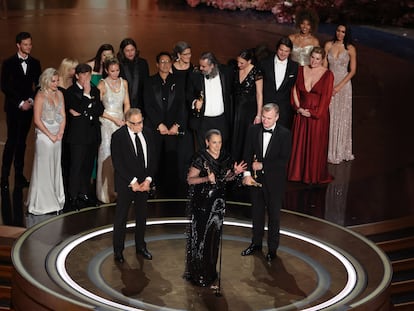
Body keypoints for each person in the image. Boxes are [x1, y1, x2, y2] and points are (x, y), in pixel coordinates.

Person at [184, 129, 246, 286]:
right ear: (207, 142)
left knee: (213, 237)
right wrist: (206, 178)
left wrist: (235, 173)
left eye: (219, 142)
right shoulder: (200, 157)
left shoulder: (225, 156)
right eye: (214, 142)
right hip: (203, 203)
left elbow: (226, 177)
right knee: (201, 238)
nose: (217, 146)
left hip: (218, 203)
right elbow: (190, 180)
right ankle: (198, 273)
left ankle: (210, 271)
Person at [241, 103, 292, 261]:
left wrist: (263, 165)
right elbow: (247, 153)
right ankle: (256, 244)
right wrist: (247, 174)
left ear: (277, 117)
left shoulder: (285, 134)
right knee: (256, 214)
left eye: (269, 118)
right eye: (263, 117)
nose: (265, 121)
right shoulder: (253, 130)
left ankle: (272, 250)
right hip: (255, 180)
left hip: (274, 182)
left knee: (274, 217)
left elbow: (283, 160)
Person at [111, 108, 157, 263]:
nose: (139, 126)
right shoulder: (118, 137)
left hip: (144, 184)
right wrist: (133, 182)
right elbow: (118, 163)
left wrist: (148, 180)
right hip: (126, 184)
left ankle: (141, 247)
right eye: (135, 124)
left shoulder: (149, 133)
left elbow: (153, 159)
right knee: (121, 217)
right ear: (127, 123)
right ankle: (118, 251)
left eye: (141, 122)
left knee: (141, 216)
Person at [1, 32, 41, 192]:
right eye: (25, 44)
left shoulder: (35, 63)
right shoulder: (9, 63)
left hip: (28, 109)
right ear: (18, 45)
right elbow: (4, 85)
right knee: (11, 141)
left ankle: (19, 175)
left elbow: (38, 84)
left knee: (22, 142)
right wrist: (20, 102)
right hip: (13, 108)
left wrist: (30, 101)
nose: (29, 47)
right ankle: (4, 177)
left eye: (30, 44)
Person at [288, 47, 334, 184]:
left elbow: (326, 99)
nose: (314, 61)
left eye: (317, 59)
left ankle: (311, 175)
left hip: (316, 118)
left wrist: (313, 113)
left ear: (323, 60)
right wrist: (298, 108)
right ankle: (297, 174)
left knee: (314, 147)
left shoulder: (328, 75)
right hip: (301, 114)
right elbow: (295, 90)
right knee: (299, 145)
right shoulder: (301, 69)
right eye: (312, 57)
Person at [143, 52, 185, 197]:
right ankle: (152, 185)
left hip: (172, 128)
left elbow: (181, 105)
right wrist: (159, 124)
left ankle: (170, 189)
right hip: (155, 127)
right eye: (162, 61)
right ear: (157, 64)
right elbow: (148, 105)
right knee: (153, 157)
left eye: (168, 61)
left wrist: (177, 124)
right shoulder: (149, 81)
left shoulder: (178, 81)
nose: (165, 64)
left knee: (171, 158)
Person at [64, 63, 104, 210]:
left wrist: (85, 110)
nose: (87, 78)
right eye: (84, 75)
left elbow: (99, 109)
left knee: (87, 166)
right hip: (77, 136)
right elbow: (76, 110)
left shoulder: (95, 90)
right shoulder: (70, 92)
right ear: (77, 76)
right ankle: (73, 196)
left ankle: (84, 193)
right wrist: (87, 98)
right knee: (76, 166)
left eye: (89, 75)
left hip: (92, 134)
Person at [26, 68, 66, 215]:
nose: (56, 83)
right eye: (53, 81)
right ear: (46, 80)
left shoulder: (60, 94)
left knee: (55, 166)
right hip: (44, 136)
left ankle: (56, 197)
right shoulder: (40, 96)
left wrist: (60, 132)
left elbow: (62, 115)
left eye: (57, 80)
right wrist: (50, 135)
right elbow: (37, 120)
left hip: (58, 136)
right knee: (44, 167)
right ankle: (43, 202)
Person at [96, 57, 130, 203]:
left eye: (117, 70)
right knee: (107, 154)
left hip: (121, 122)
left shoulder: (124, 83)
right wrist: (114, 119)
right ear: (106, 70)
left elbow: (127, 103)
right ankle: (105, 193)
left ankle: (120, 190)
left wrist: (126, 119)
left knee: (122, 156)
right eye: (112, 71)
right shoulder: (102, 85)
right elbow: (98, 108)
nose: (115, 73)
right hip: (107, 122)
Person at [187, 52, 233, 150]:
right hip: (203, 121)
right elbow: (188, 94)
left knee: (221, 149)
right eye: (200, 65)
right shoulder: (195, 75)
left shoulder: (226, 73)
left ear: (212, 65)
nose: (201, 68)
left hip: (221, 120)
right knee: (203, 150)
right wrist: (195, 102)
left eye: (204, 66)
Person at [324, 23, 357, 164]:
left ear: (346, 33)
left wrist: (338, 87)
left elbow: (353, 71)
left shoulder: (350, 49)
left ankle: (340, 150)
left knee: (342, 117)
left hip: (343, 86)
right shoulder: (328, 45)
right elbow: (324, 67)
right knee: (329, 116)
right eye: (338, 30)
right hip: (329, 83)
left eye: (343, 32)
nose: (340, 33)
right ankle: (328, 150)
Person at [259, 37, 298, 129]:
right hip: (266, 108)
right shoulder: (264, 63)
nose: (283, 53)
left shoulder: (295, 67)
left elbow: (295, 88)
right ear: (277, 48)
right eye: (281, 50)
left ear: (290, 52)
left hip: (284, 111)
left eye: (286, 51)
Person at [231, 49, 263, 161]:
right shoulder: (235, 70)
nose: (239, 65)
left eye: (242, 63)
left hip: (249, 111)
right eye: (238, 62)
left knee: (246, 137)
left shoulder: (256, 72)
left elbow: (259, 94)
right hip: (236, 109)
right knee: (235, 137)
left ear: (249, 61)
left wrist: (259, 115)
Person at [172, 41, 195, 185]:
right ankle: (175, 175)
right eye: (185, 54)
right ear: (178, 55)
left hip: (188, 110)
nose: (189, 56)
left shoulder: (192, 69)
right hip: (175, 109)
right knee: (176, 143)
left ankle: (187, 174)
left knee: (188, 143)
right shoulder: (171, 69)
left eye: (190, 53)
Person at [117, 38, 149, 110]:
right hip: (122, 104)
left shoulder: (143, 63)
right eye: (127, 51)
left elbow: (146, 83)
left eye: (132, 50)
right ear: (122, 52)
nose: (130, 53)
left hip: (140, 103)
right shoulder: (118, 64)